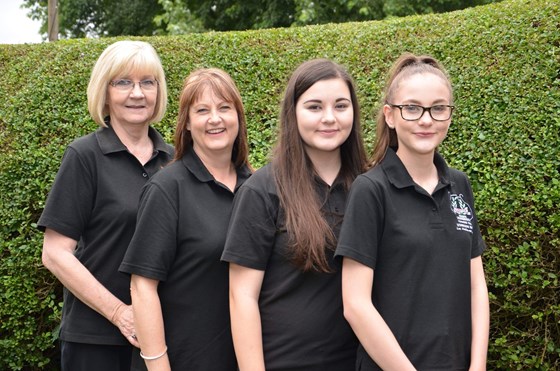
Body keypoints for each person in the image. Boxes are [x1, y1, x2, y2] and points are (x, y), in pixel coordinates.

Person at [335, 53, 490, 370]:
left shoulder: (459, 185)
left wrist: (477, 365)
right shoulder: (371, 190)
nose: (426, 119)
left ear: (449, 114)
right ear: (390, 116)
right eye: (412, 108)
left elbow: (476, 286)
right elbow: (355, 304)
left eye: (438, 108)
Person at [221, 58, 368, 371]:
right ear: (293, 113)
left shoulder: (370, 187)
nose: (329, 118)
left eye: (341, 106)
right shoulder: (263, 191)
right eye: (314, 107)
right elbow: (241, 297)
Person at [38, 40, 173, 371]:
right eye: (123, 82)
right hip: (95, 342)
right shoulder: (85, 156)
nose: (137, 93)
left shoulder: (174, 161)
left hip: (161, 340)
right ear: (105, 93)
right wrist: (120, 314)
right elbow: (55, 253)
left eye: (147, 82)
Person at [119, 67, 251, 370]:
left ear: (238, 118)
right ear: (188, 124)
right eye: (202, 110)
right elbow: (142, 287)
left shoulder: (257, 187)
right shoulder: (167, 189)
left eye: (224, 108)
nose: (215, 119)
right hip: (181, 360)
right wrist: (158, 364)